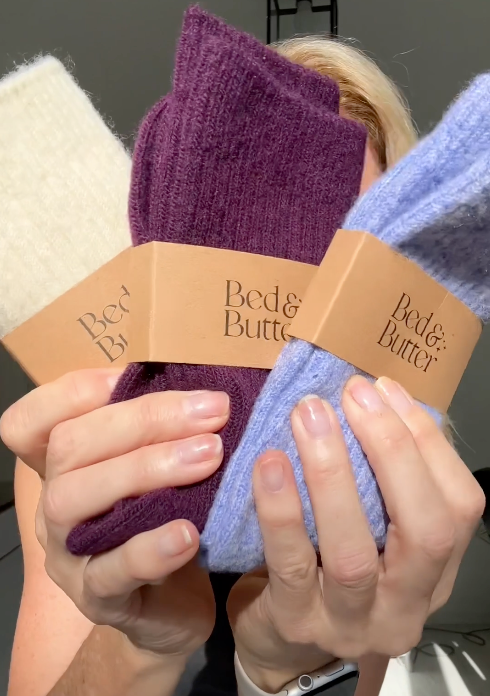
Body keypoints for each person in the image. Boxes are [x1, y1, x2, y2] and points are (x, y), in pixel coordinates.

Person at [1, 37, 484, 696]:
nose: (298, 341)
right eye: (273, 253)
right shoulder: (97, 449)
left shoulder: (384, 471)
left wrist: (286, 669)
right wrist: (142, 643)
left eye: (341, 267)